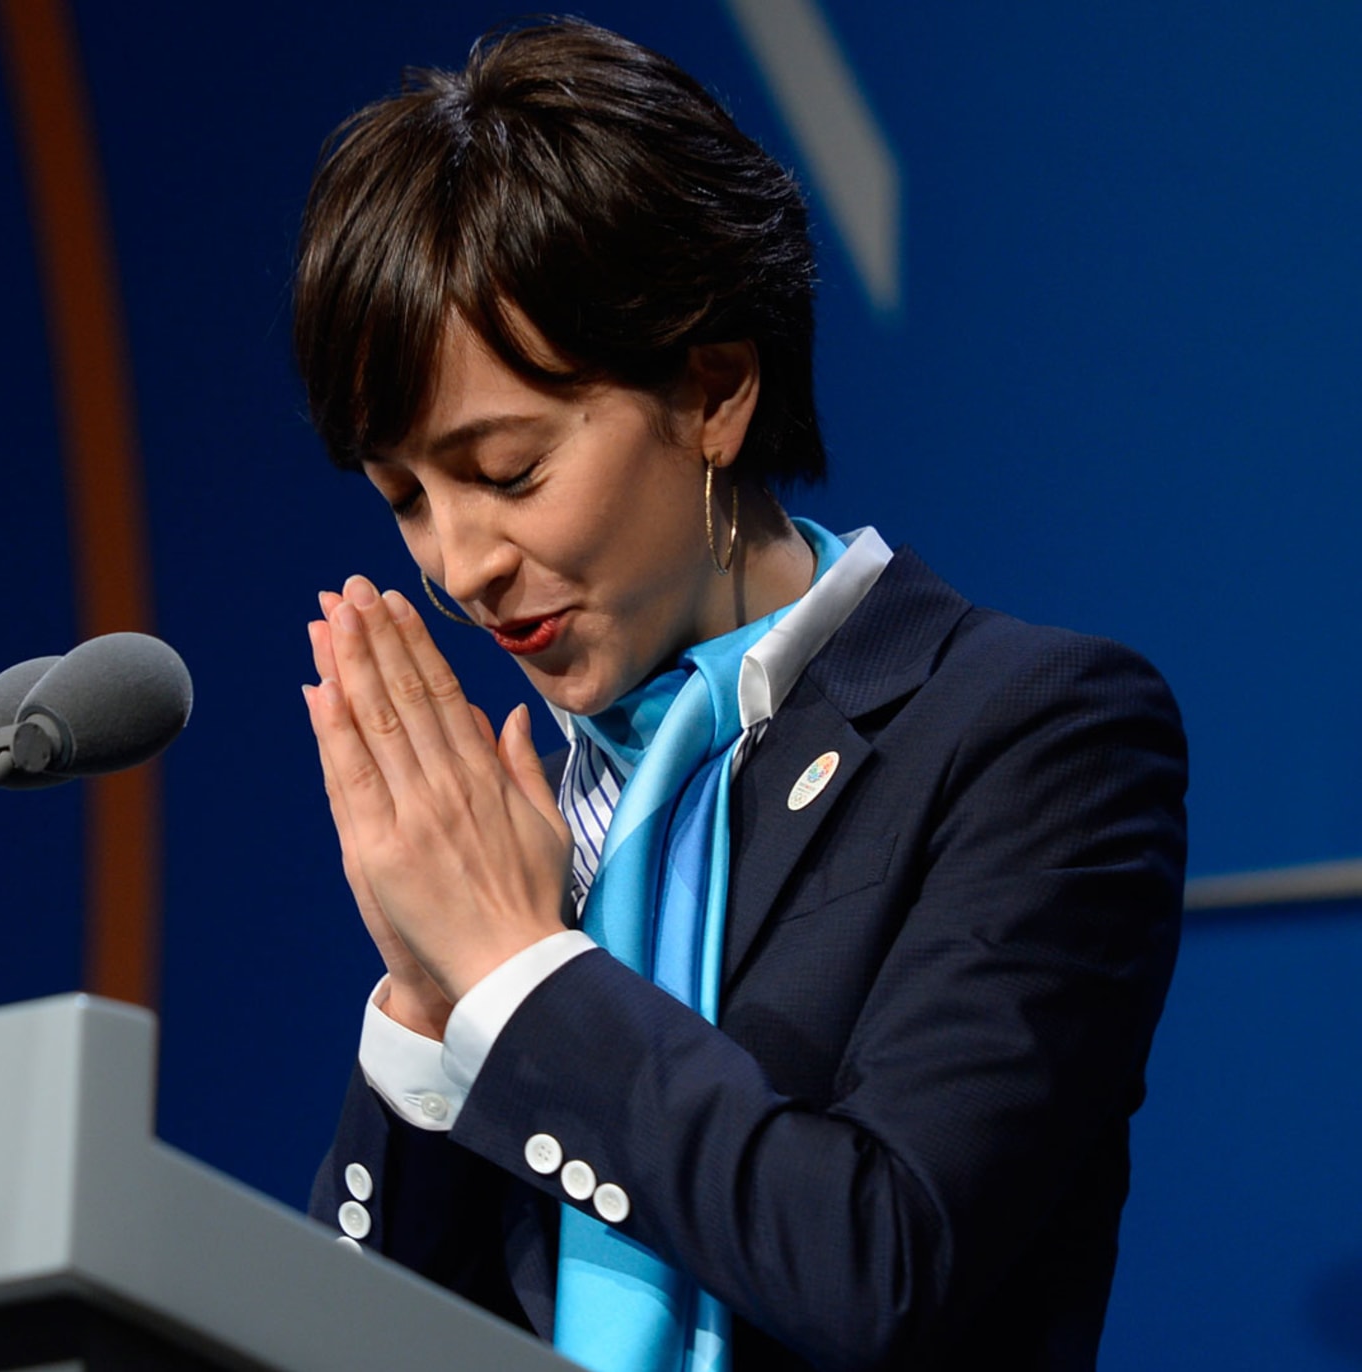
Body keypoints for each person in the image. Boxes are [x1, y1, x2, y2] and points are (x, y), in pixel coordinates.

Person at [292, 20, 1185, 1372]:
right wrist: (429, 1008)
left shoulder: (1030, 733)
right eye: (406, 496)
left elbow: (883, 1269)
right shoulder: (520, 828)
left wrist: (519, 976)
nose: (457, 564)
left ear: (714, 390)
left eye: (510, 470)